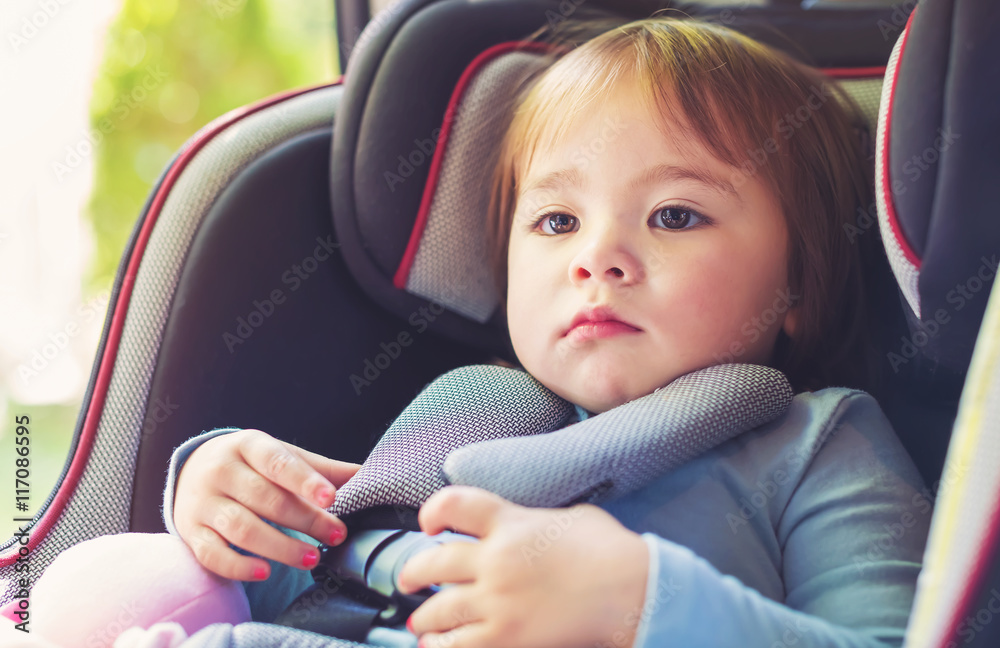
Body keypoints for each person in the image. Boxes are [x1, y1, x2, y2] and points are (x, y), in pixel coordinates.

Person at [15, 16, 928, 648]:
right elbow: (332, 575)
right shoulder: (468, 420)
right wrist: (227, 497)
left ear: (799, 283)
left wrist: (642, 607)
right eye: (557, 222)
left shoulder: (814, 444)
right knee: (102, 584)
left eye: (676, 216)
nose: (597, 258)